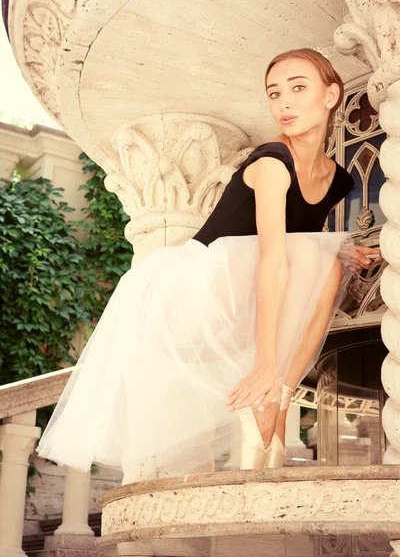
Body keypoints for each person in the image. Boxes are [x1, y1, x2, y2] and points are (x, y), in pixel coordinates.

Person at [37, 48, 382, 480]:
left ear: (331, 95)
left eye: (298, 88)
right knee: (323, 263)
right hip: (189, 292)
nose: (285, 103)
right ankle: (268, 388)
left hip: (237, 289)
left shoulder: (339, 179)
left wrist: (340, 250)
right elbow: (275, 258)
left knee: (328, 266)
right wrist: (263, 364)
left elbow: (297, 239)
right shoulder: (272, 161)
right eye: (274, 93)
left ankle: (277, 397)